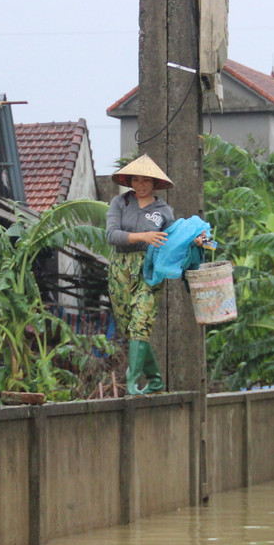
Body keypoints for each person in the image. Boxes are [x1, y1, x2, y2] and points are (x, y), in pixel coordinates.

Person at [106, 154, 189, 395]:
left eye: (146, 180)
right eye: (136, 180)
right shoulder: (120, 203)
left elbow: (174, 241)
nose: (140, 185)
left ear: (154, 183)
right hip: (119, 269)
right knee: (131, 328)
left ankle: (131, 381)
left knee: (141, 322)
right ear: (130, 181)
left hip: (149, 269)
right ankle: (154, 380)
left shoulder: (164, 211)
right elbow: (111, 235)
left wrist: (196, 239)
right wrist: (144, 236)